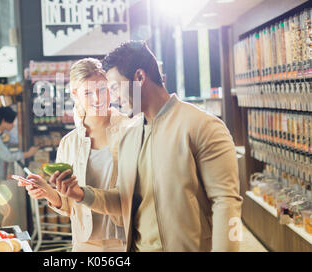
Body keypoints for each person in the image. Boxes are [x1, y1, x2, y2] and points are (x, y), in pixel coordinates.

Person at [50, 41, 243, 252]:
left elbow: (227, 203)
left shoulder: (201, 125)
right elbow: (123, 198)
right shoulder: (130, 136)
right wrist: (81, 194)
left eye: (114, 87)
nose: (112, 97)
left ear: (139, 78)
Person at [20, 58, 134, 252]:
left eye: (101, 90)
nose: (97, 99)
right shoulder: (69, 143)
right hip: (85, 244)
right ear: (75, 94)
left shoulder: (131, 130)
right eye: (88, 93)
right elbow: (67, 206)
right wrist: (47, 190)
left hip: (126, 241)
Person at [0, 106, 39, 227]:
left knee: (2, 216)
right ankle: (2, 241)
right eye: (12, 122)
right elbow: (7, 156)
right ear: (4, 121)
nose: (13, 125)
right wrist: (28, 153)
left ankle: (3, 241)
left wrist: (6, 174)